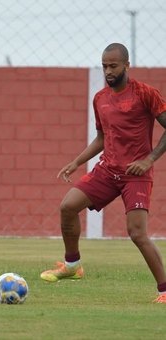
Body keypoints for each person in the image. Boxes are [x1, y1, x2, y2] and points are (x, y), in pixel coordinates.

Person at [40, 43, 166, 304]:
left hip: (136, 174)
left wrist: (148, 159)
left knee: (137, 234)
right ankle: (72, 265)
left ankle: (164, 291)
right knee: (68, 206)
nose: (108, 71)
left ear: (126, 66)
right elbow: (101, 137)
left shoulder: (145, 94)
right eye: (104, 66)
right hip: (108, 170)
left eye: (113, 66)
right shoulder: (100, 98)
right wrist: (76, 162)